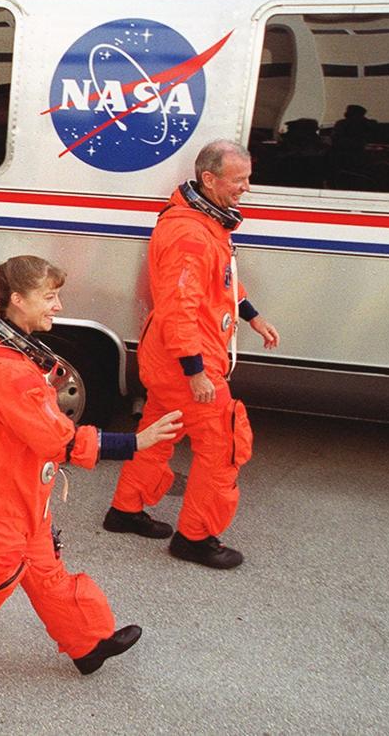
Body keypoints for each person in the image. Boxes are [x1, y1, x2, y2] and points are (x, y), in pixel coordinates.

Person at [0, 256, 184, 697]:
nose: (58, 305)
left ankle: (88, 644)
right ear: (17, 300)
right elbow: (62, 441)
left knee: (45, 570)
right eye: (49, 297)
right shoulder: (9, 371)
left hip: (20, 493)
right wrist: (136, 443)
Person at [105, 140, 279, 569]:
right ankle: (195, 538)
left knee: (158, 434)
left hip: (172, 360)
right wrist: (196, 372)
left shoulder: (205, 224)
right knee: (223, 447)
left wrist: (252, 316)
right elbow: (178, 309)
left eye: (247, 178)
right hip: (186, 362)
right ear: (209, 179)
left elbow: (219, 283)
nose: (247, 188)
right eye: (239, 180)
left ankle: (124, 511)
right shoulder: (189, 233)